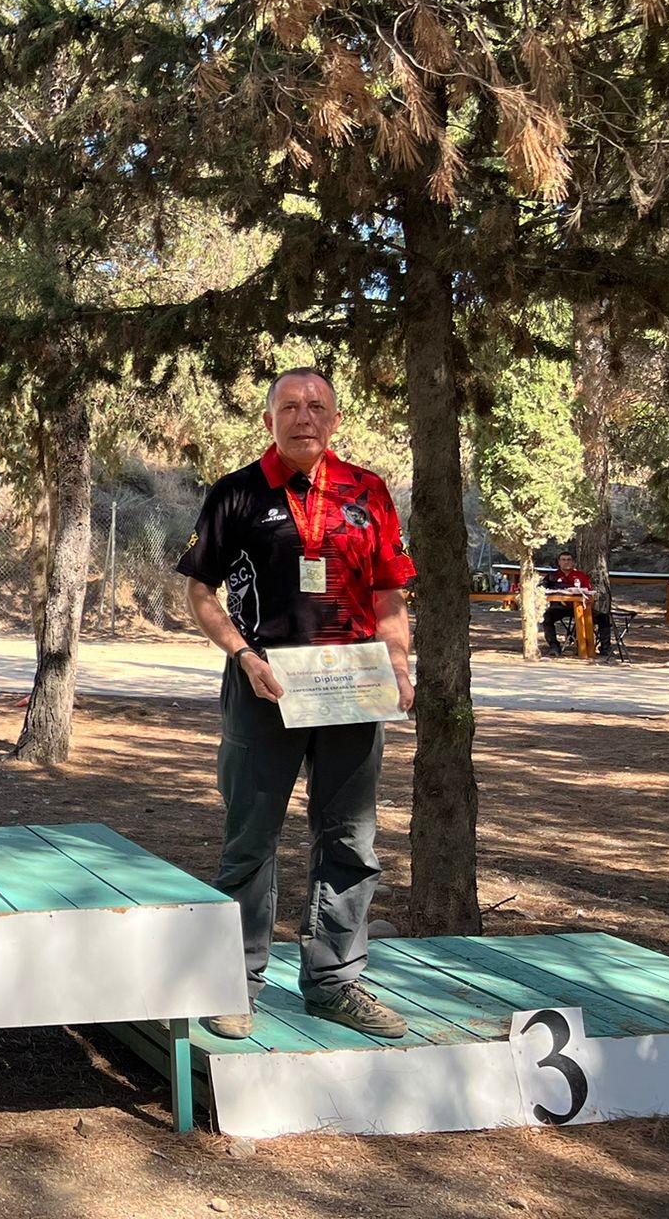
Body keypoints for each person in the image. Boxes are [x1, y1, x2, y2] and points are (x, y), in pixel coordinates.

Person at [177, 367, 416, 1040]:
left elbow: (390, 592)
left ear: (335, 419)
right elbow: (200, 592)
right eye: (289, 406)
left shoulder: (367, 492)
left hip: (352, 685)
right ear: (269, 421)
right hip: (266, 685)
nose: (303, 417)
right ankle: (234, 981)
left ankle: (335, 982)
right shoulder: (237, 494)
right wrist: (243, 655)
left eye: (316, 406)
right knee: (250, 838)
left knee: (350, 840)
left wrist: (399, 663)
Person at [543, 550, 611, 658]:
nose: (566, 562)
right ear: (559, 562)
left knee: (604, 618)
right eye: (563, 560)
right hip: (559, 607)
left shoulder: (580, 575)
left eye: (569, 560)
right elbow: (542, 589)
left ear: (573, 562)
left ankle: (605, 648)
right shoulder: (552, 576)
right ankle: (554, 646)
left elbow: (589, 592)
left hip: (581, 608)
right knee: (547, 617)